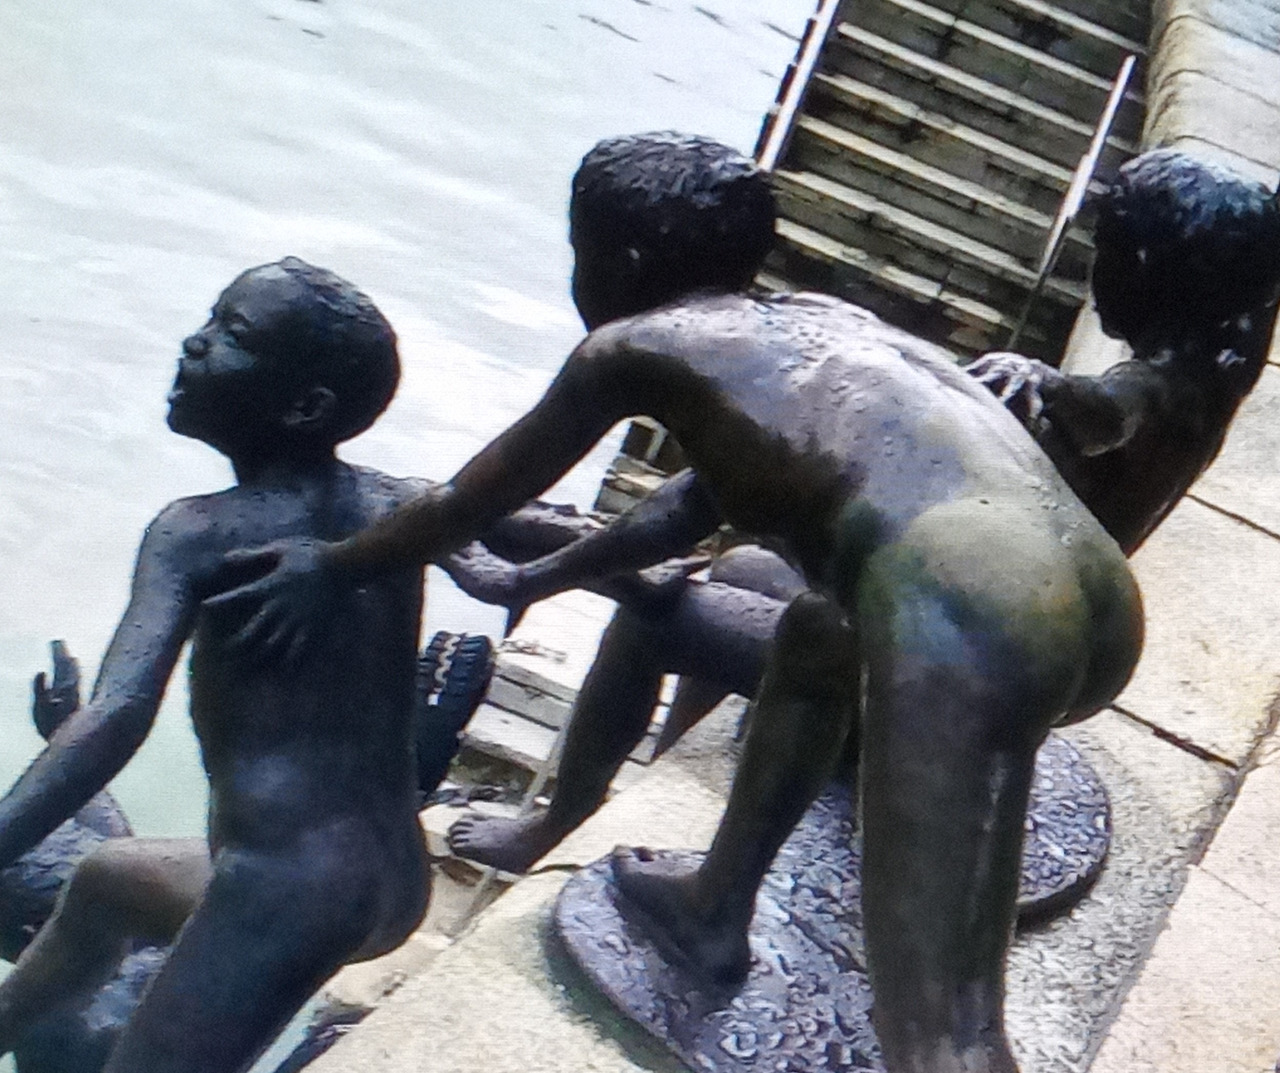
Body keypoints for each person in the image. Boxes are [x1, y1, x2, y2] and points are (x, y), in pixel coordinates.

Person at [215, 134, 1143, 1073]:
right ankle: (713, 908)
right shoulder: (817, 325)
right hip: (1090, 590)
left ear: (619, 261)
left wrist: (333, 565)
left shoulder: (631, 347)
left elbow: (466, 499)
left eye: (578, 249)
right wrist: (535, 578)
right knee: (818, 632)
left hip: (972, 606)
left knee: (944, 1034)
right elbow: (687, 507)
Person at [444, 146, 1280, 876]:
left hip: (930, 677)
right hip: (1012, 646)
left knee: (653, 621)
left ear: (1150, 272)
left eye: (1108, 253)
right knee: (744, 567)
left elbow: (1109, 410)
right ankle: (683, 775)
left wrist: (1046, 384)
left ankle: (560, 821)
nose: (1095, 277)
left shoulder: (1145, 393)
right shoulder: (1217, 373)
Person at [0, 257, 443, 1073]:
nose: (195, 343)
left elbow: (117, 720)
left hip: (291, 894)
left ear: (305, 406)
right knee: (106, 879)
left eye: (231, 334)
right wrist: (623, 568)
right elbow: (510, 539)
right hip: (397, 879)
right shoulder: (399, 503)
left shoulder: (196, 531)